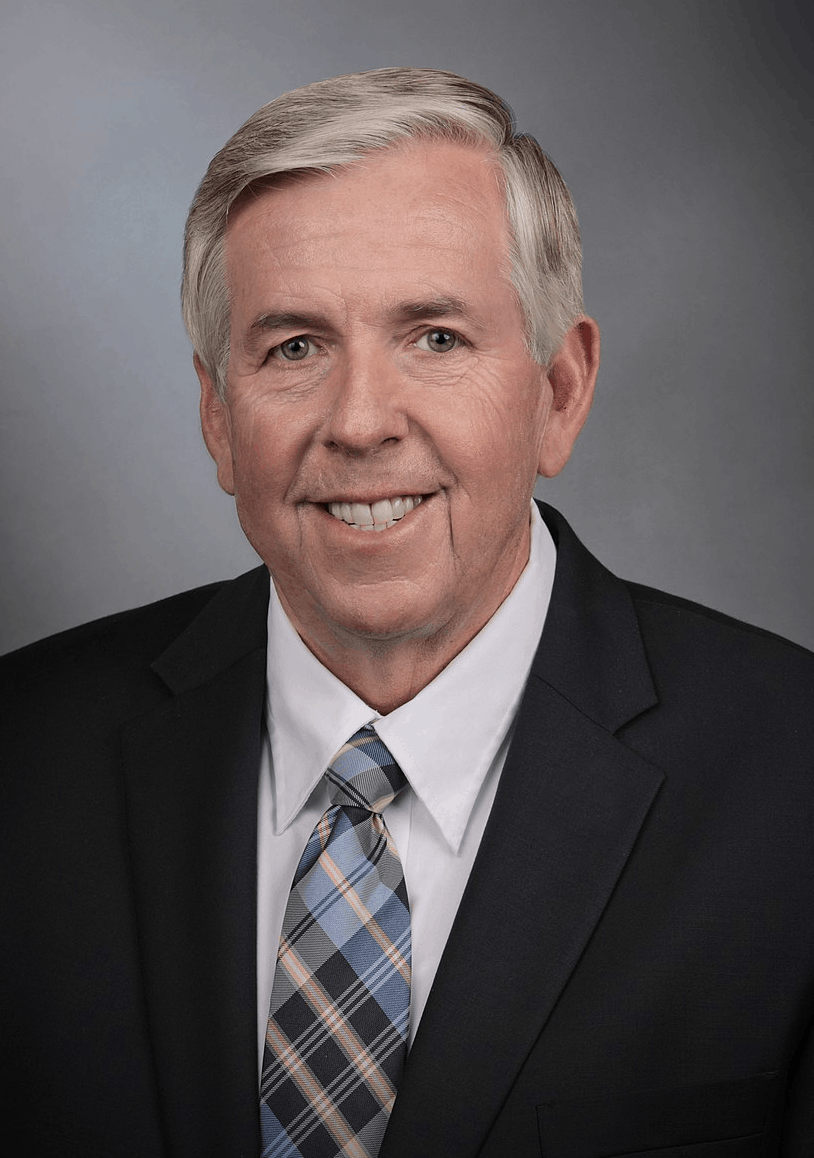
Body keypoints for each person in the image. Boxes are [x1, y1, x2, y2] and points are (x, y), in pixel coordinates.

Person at [1, 67, 812, 1158]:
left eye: (434, 337)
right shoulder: (23, 755)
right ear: (218, 418)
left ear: (558, 392)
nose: (359, 422)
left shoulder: (792, 781)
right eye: (294, 348)